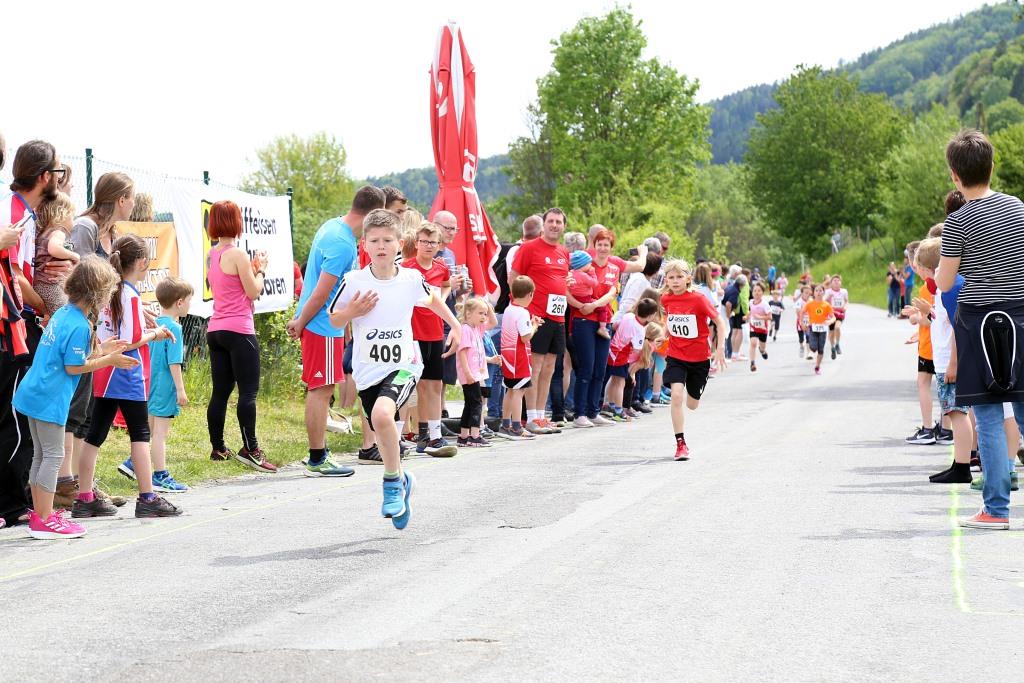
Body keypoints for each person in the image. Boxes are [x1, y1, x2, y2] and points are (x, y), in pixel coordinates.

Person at [328, 208, 461, 530]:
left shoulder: (410, 280)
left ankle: (390, 484)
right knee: (381, 425)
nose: (381, 245)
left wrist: (456, 326)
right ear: (364, 245)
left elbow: (433, 300)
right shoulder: (353, 282)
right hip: (367, 370)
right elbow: (333, 319)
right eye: (374, 240)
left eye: (388, 240)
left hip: (404, 364)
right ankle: (402, 480)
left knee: (382, 415)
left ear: (400, 244)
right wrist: (352, 312)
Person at [936, 129, 1024, 529]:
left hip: (977, 322)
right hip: (1020, 315)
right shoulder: (1017, 208)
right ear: (992, 166)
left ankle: (996, 509)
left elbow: (944, 281)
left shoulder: (957, 222)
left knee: (987, 415)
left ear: (955, 176)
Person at [11, 256, 136, 538]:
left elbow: (66, 354)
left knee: (41, 455)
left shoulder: (63, 314)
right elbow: (73, 367)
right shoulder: (80, 325)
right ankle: (45, 519)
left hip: (34, 393)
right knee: (53, 456)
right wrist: (109, 360)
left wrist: (102, 349)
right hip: (50, 399)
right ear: (97, 294)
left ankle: (41, 514)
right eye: (108, 293)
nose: (108, 299)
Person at [73, 235, 181, 519]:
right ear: (142, 263)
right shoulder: (130, 294)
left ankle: (84, 497)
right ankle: (147, 497)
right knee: (140, 433)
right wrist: (156, 334)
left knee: (95, 434)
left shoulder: (110, 290)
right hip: (126, 370)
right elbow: (131, 339)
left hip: (104, 369)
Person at [288, 186, 385, 477]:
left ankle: (318, 454)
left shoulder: (333, 226)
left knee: (322, 388)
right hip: (321, 325)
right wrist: (301, 322)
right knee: (321, 390)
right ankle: (317, 457)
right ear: (372, 214)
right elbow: (321, 292)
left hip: (327, 325)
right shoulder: (342, 244)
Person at [58, 172, 137, 510]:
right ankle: (64, 484)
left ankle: (80, 484)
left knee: (85, 412)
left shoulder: (110, 234)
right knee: (73, 408)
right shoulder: (86, 227)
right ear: (120, 199)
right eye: (131, 197)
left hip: (94, 329)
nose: (133, 204)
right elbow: (76, 280)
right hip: (77, 328)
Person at [0, 140, 66, 528]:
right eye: (58, 172)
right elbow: (16, 276)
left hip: (18, 320)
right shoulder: (14, 212)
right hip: (13, 322)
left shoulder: (24, 211)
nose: (61, 179)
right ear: (43, 176)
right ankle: (11, 503)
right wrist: (45, 308)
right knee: (14, 415)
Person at [201, 201, 276, 472]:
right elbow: (253, 291)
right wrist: (261, 269)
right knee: (248, 393)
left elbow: (231, 286)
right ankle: (251, 449)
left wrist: (251, 270)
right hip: (239, 329)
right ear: (236, 222)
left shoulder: (212, 254)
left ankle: (218, 447)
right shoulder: (238, 254)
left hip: (216, 328)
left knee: (220, 392)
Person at [911, 238, 973, 485]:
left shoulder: (950, 289)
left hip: (950, 362)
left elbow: (959, 326)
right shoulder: (941, 291)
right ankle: (959, 462)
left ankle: (963, 466)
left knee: (957, 413)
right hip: (944, 361)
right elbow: (945, 321)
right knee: (953, 411)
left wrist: (953, 363)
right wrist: (930, 312)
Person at [126, 276, 192, 494]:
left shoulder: (152, 324)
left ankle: (134, 462)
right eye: (189, 301)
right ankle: (160, 475)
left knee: (150, 429)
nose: (189, 305)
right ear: (179, 302)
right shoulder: (175, 328)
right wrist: (180, 389)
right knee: (160, 434)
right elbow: (174, 362)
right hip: (165, 386)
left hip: (148, 383)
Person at [510, 208, 569, 435]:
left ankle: (541, 416)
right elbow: (514, 277)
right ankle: (532, 417)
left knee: (550, 368)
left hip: (558, 316)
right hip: (536, 316)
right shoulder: (529, 248)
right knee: (534, 367)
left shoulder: (564, 252)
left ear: (564, 226)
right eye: (551, 221)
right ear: (543, 225)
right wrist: (522, 309)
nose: (554, 225)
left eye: (558, 222)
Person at [660, 260, 727, 460]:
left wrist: (720, 348)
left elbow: (719, 322)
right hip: (676, 355)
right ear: (666, 280)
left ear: (688, 278)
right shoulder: (666, 299)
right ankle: (681, 444)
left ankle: (694, 391)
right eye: (671, 278)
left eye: (679, 277)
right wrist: (663, 334)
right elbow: (669, 321)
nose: (675, 281)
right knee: (676, 396)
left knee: (692, 404)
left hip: (699, 359)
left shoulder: (698, 299)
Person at [402, 221, 458, 457]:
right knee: (416, 385)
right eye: (424, 241)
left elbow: (445, 285)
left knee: (435, 384)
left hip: (435, 332)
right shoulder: (406, 268)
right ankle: (417, 432)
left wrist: (441, 300)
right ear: (416, 243)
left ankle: (434, 435)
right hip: (412, 334)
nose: (428, 246)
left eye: (432, 242)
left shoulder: (441, 267)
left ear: (438, 245)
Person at [902, 240, 941, 446]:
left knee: (923, 383)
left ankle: (927, 429)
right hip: (936, 343)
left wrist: (915, 317)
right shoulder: (940, 284)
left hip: (930, 346)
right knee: (944, 387)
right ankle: (946, 429)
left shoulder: (928, 287)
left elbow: (931, 319)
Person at [603, 298, 660, 424]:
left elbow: (615, 325)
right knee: (620, 383)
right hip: (621, 354)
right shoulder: (640, 330)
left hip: (612, 349)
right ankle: (618, 410)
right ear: (650, 316)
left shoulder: (628, 316)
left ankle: (610, 405)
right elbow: (637, 349)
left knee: (614, 380)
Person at [500, 276, 542, 440]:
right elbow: (525, 337)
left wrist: (530, 323)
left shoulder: (509, 309)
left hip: (508, 355)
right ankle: (517, 426)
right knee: (519, 390)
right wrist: (534, 326)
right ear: (530, 294)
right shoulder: (523, 312)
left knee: (510, 389)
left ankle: (505, 424)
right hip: (519, 356)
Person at [33, 192, 80, 316]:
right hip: (48, 284)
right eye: (72, 216)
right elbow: (53, 248)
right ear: (62, 214)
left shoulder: (43, 232)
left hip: (40, 283)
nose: (74, 222)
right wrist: (74, 256)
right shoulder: (58, 232)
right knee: (63, 313)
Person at [456, 298, 494, 447]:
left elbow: (493, 323)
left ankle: (464, 436)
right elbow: (462, 353)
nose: (484, 317)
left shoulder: (477, 329)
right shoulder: (466, 329)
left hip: (475, 374)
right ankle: (475, 436)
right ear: (468, 313)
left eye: (485, 314)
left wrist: (488, 306)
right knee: (477, 403)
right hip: (470, 374)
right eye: (480, 313)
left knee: (470, 403)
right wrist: (468, 373)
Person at [803, 285, 835, 375]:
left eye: (820, 290)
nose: (818, 292)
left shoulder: (826, 305)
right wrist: (802, 323)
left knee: (821, 350)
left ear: (823, 293)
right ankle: (811, 352)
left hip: (823, 329)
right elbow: (802, 313)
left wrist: (829, 321)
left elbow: (833, 317)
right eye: (816, 290)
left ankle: (817, 367)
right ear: (813, 293)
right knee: (813, 346)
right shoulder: (809, 304)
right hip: (812, 327)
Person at [746, 282, 771, 372]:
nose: (757, 293)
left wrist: (760, 317)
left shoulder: (765, 304)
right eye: (755, 291)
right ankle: (752, 363)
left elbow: (770, 317)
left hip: (763, 329)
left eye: (759, 291)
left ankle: (762, 351)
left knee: (762, 346)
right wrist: (747, 316)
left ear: (762, 292)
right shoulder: (751, 302)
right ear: (752, 292)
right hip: (753, 327)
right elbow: (751, 312)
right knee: (753, 343)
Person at [823, 275, 849, 359]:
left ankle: (837, 344)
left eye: (838, 280)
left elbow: (846, 301)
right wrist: (829, 298)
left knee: (837, 327)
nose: (836, 282)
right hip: (831, 314)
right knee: (831, 333)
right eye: (834, 280)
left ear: (841, 283)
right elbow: (823, 301)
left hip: (840, 313)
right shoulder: (828, 291)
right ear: (831, 283)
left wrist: (845, 307)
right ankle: (832, 347)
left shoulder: (844, 291)